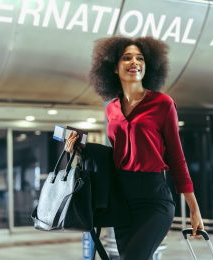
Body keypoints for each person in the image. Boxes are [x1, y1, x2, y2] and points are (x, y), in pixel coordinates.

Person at [65, 36, 204, 260]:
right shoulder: (111, 109)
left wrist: (194, 210)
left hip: (154, 200)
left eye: (140, 58)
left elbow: (177, 158)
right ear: (113, 68)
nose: (134, 62)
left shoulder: (163, 104)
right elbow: (117, 156)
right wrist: (82, 149)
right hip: (122, 202)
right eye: (127, 58)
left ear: (148, 65)